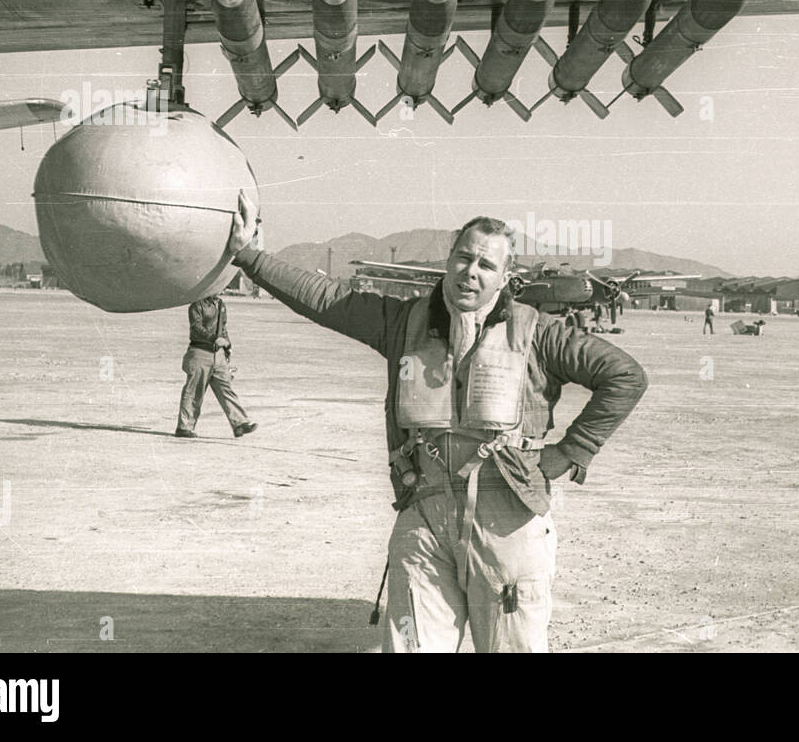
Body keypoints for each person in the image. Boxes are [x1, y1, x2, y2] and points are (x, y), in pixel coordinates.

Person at [226, 194, 647, 652]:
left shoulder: (538, 333)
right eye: (464, 257)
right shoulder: (402, 323)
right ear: (448, 261)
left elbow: (625, 376)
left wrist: (571, 451)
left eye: (487, 265)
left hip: (508, 520)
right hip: (423, 515)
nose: (472, 271)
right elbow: (327, 299)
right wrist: (248, 255)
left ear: (506, 278)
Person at [175, 294, 257, 438]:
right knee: (195, 391)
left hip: (218, 355)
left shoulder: (220, 304)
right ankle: (184, 427)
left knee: (226, 388)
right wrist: (214, 338)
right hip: (200, 352)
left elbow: (222, 327)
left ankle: (239, 424)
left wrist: (227, 346)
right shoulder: (197, 305)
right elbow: (196, 327)